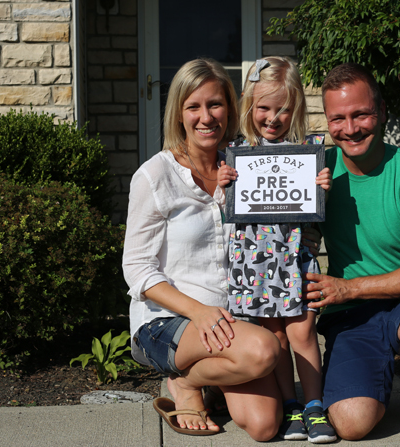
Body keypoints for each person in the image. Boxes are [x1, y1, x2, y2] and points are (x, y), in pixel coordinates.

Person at [123, 58, 282, 440]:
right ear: (179, 114)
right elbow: (137, 268)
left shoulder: (243, 168)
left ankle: (194, 378)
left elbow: (276, 227)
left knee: (264, 425)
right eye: (193, 107)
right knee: (264, 351)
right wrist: (198, 312)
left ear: (229, 108)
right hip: (166, 321)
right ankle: (185, 382)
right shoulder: (155, 176)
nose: (206, 117)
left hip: (230, 318)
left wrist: (315, 196)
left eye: (215, 104)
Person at [303, 63, 400, 441]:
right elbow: (296, 240)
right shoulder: (318, 172)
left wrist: (349, 288)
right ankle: (374, 376)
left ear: (383, 111)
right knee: (351, 424)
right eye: (338, 118)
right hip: (351, 315)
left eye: (361, 114)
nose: (350, 128)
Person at [217, 56, 336, 443]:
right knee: (277, 337)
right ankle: (291, 405)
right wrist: (224, 184)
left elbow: (316, 214)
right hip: (256, 261)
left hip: (296, 257)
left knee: (303, 332)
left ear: (296, 107)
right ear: (250, 106)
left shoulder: (308, 151)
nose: (273, 118)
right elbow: (223, 210)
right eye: (264, 108)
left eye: (283, 109)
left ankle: (315, 406)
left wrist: (321, 188)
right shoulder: (235, 152)